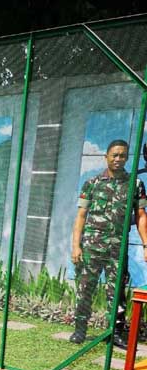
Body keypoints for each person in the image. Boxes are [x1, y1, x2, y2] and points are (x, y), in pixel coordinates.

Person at [70, 139, 147, 348]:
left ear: (127, 158)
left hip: (118, 250)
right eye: (114, 155)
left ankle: (116, 333)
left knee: (117, 292)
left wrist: (146, 244)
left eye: (122, 155)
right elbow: (81, 217)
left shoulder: (136, 184)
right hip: (92, 247)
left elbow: (140, 216)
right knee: (85, 289)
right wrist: (76, 246)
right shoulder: (92, 184)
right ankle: (80, 330)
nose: (118, 159)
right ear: (106, 157)